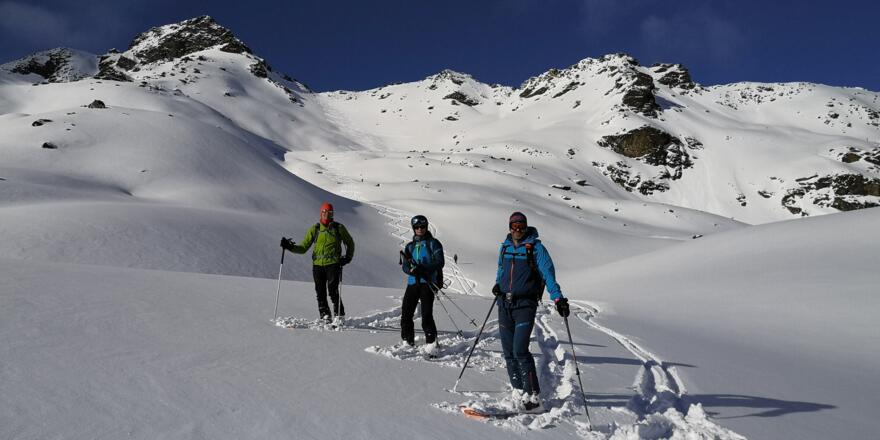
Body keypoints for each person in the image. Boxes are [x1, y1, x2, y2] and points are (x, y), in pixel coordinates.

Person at [492, 211, 570, 413]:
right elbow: (501, 268)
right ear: (510, 227)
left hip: (525, 304)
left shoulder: (536, 248)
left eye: (521, 226)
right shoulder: (505, 246)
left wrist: (558, 298)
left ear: (526, 227)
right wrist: (497, 284)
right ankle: (519, 390)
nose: (518, 229)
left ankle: (533, 396)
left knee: (520, 350)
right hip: (504, 303)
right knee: (508, 352)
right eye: (514, 226)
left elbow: (548, 274)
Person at [281, 202, 355, 325]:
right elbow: (303, 247)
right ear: (321, 213)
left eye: (329, 213)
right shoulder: (315, 229)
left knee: (332, 290)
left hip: (333, 264)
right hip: (317, 265)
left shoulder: (338, 228)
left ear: (332, 214)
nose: (327, 215)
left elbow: (350, 242)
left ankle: (339, 315)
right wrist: (289, 247)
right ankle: (325, 315)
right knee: (320, 291)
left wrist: (348, 258)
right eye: (324, 212)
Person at [399, 215, 444, 355]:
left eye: (422, 227)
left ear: (426, 227)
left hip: (427, 283)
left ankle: (432, 343)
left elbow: (440, 262)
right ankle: (407, 341)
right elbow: (405, 266)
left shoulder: (433, 243)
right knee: (406, 313)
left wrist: (424, 268)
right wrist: (411, 270)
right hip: (413, 283)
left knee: (426, 315)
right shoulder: (410, 246)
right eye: (417, 227)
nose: (420, 229)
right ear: (413, 229)